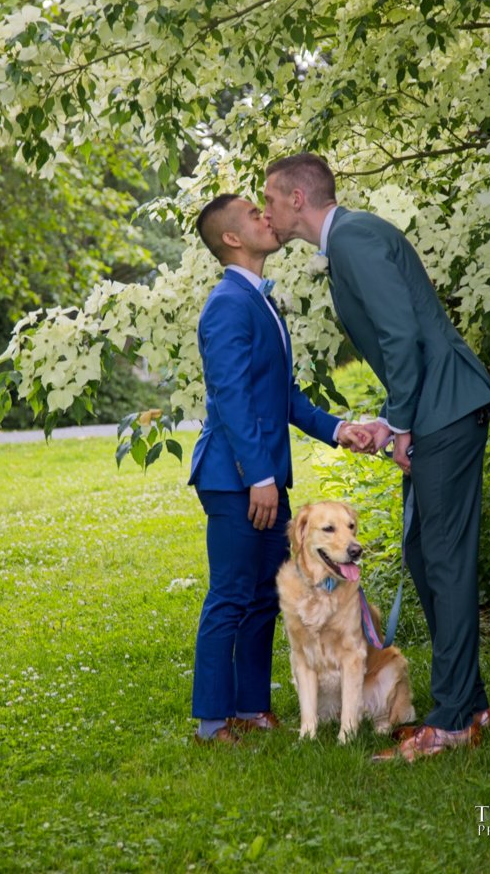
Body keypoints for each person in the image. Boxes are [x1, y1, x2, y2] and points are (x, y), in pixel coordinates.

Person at [263, 153, 490, 762]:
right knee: (427, 556)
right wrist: (393, 421)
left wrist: (399, 424)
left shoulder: (353, 241)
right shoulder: (353, 239)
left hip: (445, 410)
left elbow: (400, 336)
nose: (265, 211)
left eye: (269, 198)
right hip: (436, 410)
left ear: (297, 198)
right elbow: (406, 337)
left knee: (444, 563)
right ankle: (470, 703)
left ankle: (449, 721)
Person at [189, 193, 369, 744]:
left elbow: (280, 396)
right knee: (230, 594)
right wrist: (259, 477)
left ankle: (251, 705)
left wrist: (340, 430)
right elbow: (232, 396)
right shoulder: (226, 304)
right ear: (232, 239)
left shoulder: (262, 302)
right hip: (236, 479)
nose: (267, 216)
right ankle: (213, 720)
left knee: (266, 596)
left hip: (264, 480)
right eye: (253, 213)